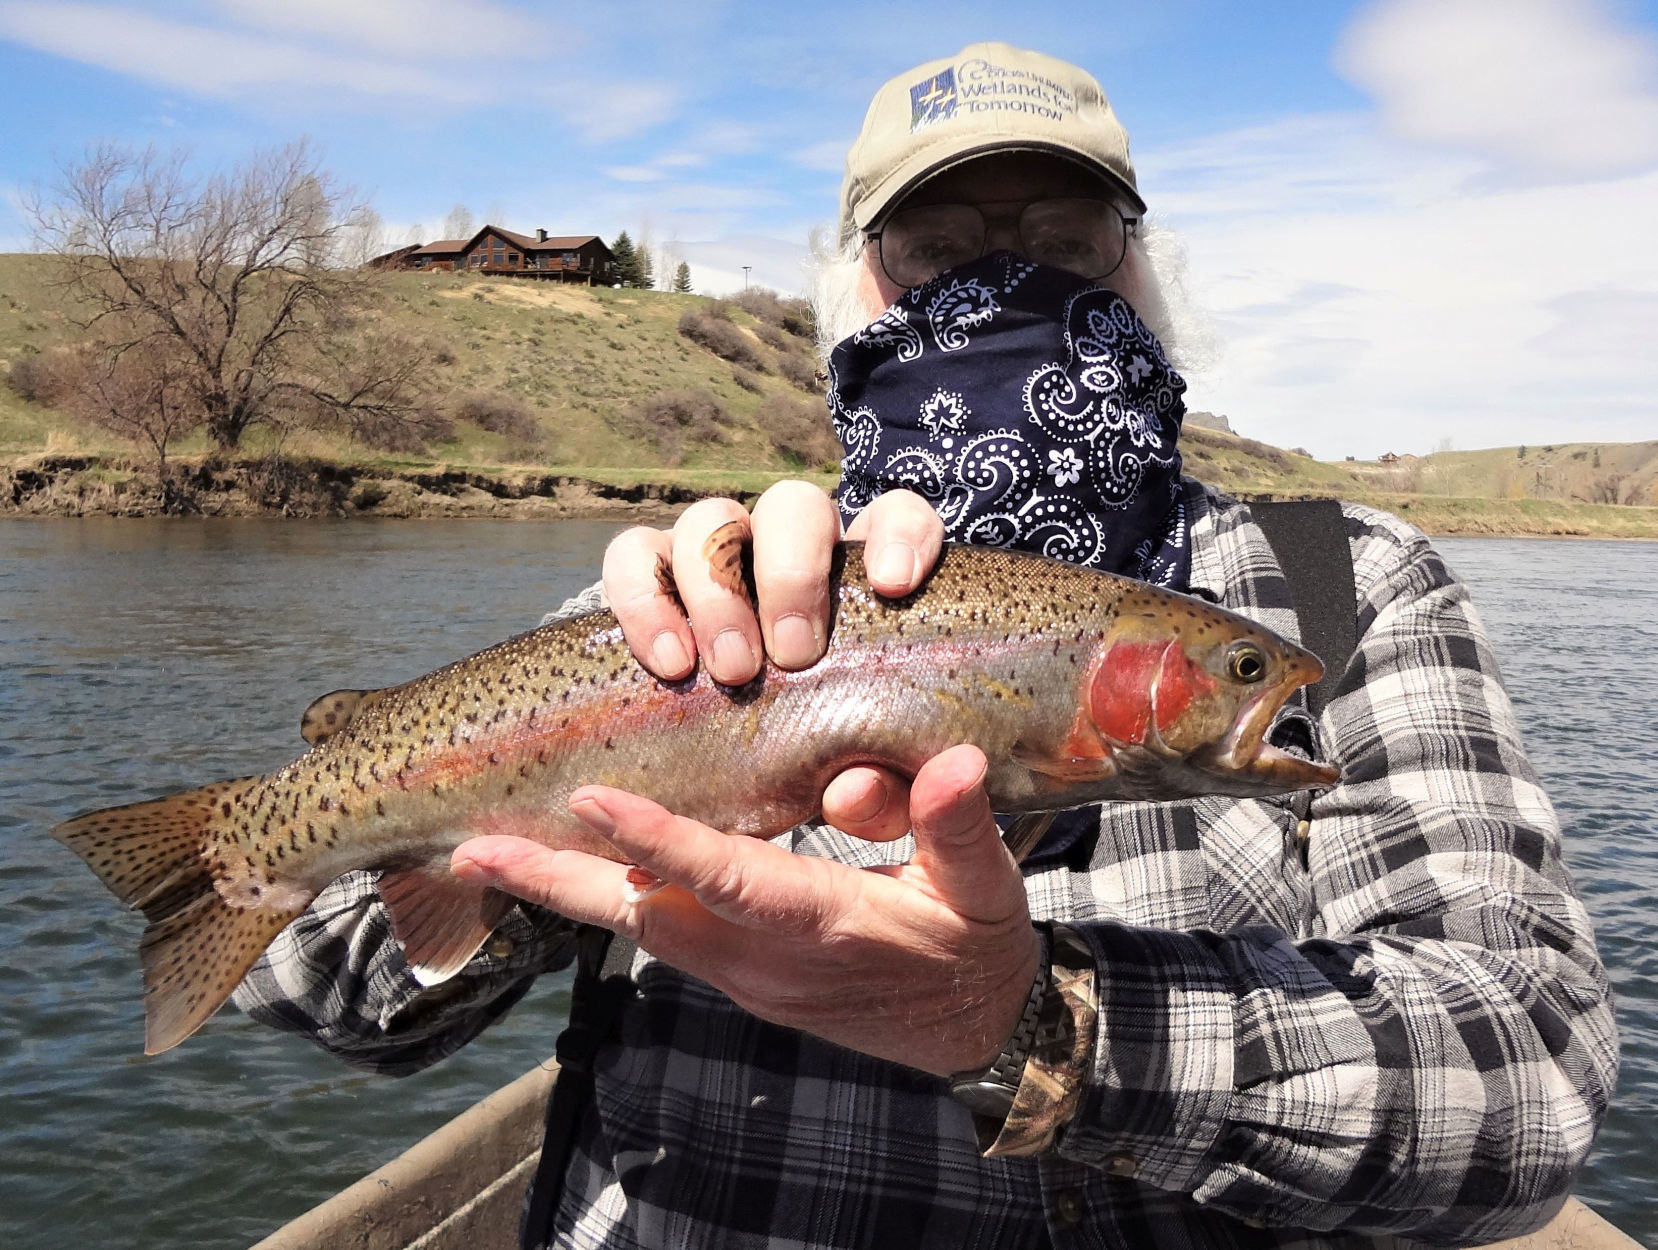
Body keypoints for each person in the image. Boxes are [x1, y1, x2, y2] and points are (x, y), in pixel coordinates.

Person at [234, 43, 1617, 1249]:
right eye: (942, 252)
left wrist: (1036, 1022)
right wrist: (587, 817)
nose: (1006, 281)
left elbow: (1526, 1077)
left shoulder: (1338, 581)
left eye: (1065, 242)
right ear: (857, 299)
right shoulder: (695, 596)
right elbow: (318, 992)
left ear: (1145, 277)